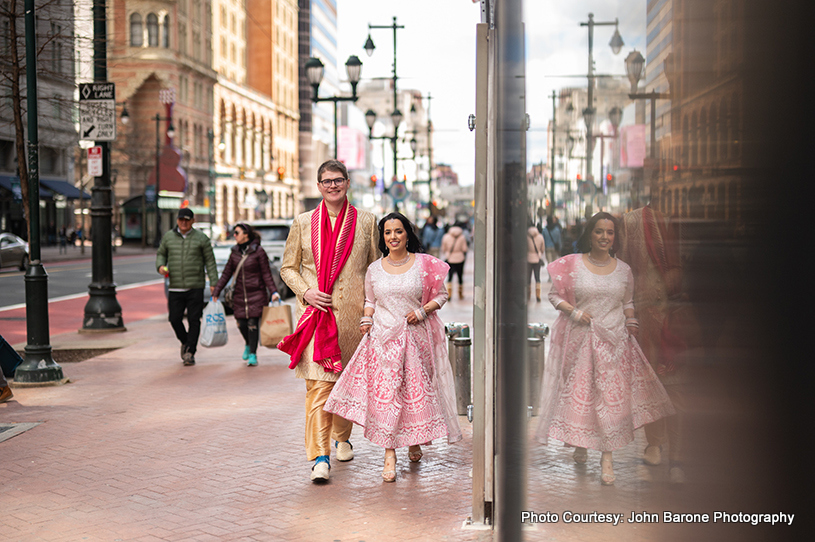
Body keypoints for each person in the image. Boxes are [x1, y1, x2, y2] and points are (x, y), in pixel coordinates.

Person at [536, 212, 675, 485]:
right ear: (590, 234)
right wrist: (574, 313)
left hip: (615, 343)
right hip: (581, 340)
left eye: (609, 232)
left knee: (608, 402)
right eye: (599, 231)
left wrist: (631, 321)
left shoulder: (624, 270)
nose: (604, 237)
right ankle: (581, 443)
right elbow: (554, 295)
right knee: (585, 396)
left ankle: (607, 459)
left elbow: (627, 302)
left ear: (615, 237)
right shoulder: (572, 264)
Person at [324, 212, 462, 482]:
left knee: (411, 392)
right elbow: (371, 301)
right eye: (388, 232)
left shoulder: (424, 264)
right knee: (389, 397)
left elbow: (442, 294)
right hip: (383, 341)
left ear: (407, 234)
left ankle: (413, 440)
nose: (393, 237)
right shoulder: (375, 269)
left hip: (415, 337)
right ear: (382, 237)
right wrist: (366, 319)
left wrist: (422, 311)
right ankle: (390, 454)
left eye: (398, 231)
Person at [277, 159, 379, 483]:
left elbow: (375, 271)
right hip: (316, 318)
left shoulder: (366, 222)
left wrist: (373, 312)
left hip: (353, 323)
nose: (332, 185)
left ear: (348, 183)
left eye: (338, 180)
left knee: (345, 385)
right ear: (318, 186)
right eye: (326, 181)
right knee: (318, 389)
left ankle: (342, 437)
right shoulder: (303, 223)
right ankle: (320, 457)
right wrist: (306, 291)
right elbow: (287, 268)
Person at [618, 201, 693, 484]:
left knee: (677, 395)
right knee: (651, 391)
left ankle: (677, 459)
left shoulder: (681, 228)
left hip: (674, 325)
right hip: (647, 324)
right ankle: (655, 443)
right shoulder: (635, 222)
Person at [156, 208, 219, 367]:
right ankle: (185, 341)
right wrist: (160, 266)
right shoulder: (169, 237)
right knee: (174, 319)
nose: (183, 222)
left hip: (195, 286)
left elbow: (210, 261)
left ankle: (190, 352)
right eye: (181, 220)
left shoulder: (201, 239)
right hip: (175, 286)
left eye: (187, 220)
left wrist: (214, 283)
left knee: (194, 320)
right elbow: (161, 254)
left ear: (192, 221)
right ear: (177, 220)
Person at [212, 223, 280, 367]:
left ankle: (253, 354)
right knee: (241, 323)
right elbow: (226, 274)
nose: (234, 235)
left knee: (252, 324)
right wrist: (217, 291)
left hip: (257, 293)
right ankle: (248, 344)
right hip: (239, 295)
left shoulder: (258, 251)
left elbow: (266, 273)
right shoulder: (234, 252)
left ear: (246, 235)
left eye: (237, 232)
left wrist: (273, 291)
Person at [440, 224, 468, 299]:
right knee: (460, 276)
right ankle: (460, 294)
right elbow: (465, 249)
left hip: (450, 258)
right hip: (460, 258)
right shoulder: (462, 237)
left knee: (450, 276)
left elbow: (443, 248)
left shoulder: (446, 236)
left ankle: (449, 294)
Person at [527, 224, 545, 301]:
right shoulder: (540, 237)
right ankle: (538, 295)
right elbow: (542, 249)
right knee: (537, 277)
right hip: (537, 259)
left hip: (528, 258)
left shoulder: (526, 237)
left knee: (528, 277)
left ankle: (528, 294)